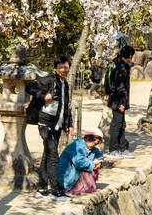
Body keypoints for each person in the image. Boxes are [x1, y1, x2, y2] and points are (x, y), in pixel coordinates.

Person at [26, 55, 72, 198]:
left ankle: (41, 187)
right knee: (53, 155)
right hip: (45, 123)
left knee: (47, 155)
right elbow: (30, 87)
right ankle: (56, 189)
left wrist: (68, 124)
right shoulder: (49, 80)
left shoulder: (65, 84)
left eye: (66, 67)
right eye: (61, 67)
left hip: (57, 124)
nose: (64, 70)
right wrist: (43, 96)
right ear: (55, 68)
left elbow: (66, 106)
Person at [105, 42, 135, 157]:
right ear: (130, 55)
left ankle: (122, 148)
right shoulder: (120, 67)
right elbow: (120, 87)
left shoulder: (119, 65)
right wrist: (122, 103)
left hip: (118, 100)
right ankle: (113, 149)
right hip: (117, 101)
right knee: (116, 124)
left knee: (121, 124)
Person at [58, 127, 104, 196]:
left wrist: (99, 162)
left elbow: (100, 155)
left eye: (96, 145)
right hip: (68, 176)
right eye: (94, 143)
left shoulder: (91, 147)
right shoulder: (78, 146)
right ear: (89, 139)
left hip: (75, 173)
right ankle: (83, 187)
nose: (94, 146)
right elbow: (79, 163)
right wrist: (93, 163)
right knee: (88, 164)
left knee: (92, 162)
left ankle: (88, 186)